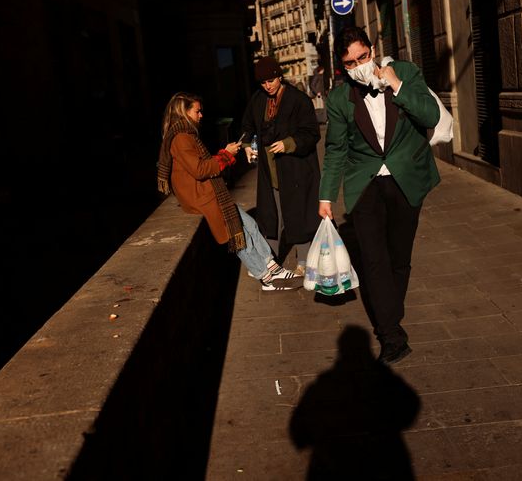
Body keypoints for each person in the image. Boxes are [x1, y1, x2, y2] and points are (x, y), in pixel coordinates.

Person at [318, 27, 440, 365]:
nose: (358, 65)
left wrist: (396, 85)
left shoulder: (407, 73)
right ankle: (391, 335)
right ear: (342, 67)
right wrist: (326, 196)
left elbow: (430, 116)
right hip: (365, 186)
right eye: (349, 63)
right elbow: (336, 150)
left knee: (399, 258)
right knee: (374, 260)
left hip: (406, 180)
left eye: (363, 57)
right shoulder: (340, 98)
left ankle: (390, 312)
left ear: (373, 50)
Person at [157, 92, 298, 291]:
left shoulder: (187, 134)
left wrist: (225, 152)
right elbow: (200, 170)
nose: (201, 115)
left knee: (250, 224)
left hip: (208, 192)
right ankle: (265, 276)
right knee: (238, 233)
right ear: (184, 112)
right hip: (202, 197)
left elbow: (201, 165)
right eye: (197, 111)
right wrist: (226, 155)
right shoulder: (181, 138)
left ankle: (272, 266)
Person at [241, 56, 321, 276]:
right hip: (270, 169)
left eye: (271, 80)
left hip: (296, 169)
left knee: (298, 213)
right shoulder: (258, 100)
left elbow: (311, 132)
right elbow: (247, 124)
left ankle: (303, 260)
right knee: (271, 215)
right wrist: (248, 144)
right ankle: (271, 260)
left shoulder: (298, 100)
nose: (267, 86)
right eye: (263, 82)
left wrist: (288, 144)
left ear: (279, 76)